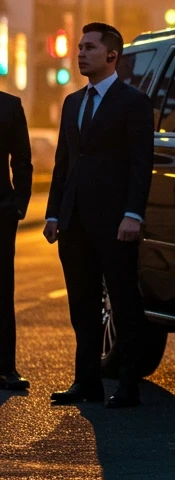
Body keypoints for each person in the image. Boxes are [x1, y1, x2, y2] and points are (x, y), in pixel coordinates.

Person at [44, 22, 153, 409]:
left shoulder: (133, 102)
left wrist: (132, 214)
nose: (80, 53)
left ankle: (128, 385)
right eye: (79, 47)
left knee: (123, 303)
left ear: (112, 55)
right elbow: (63, 163)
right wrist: (53, 213)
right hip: (74, 221)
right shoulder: (73, 102)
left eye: (89, 47)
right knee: (82, 304)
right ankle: (86, 381)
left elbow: (141, 165)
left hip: (115, 221)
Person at [0, 90, 32, 392]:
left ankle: (4, 368)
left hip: (1, 211)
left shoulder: (9, 106)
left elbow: (22, 159)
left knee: (2, 289)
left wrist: (19, 205)